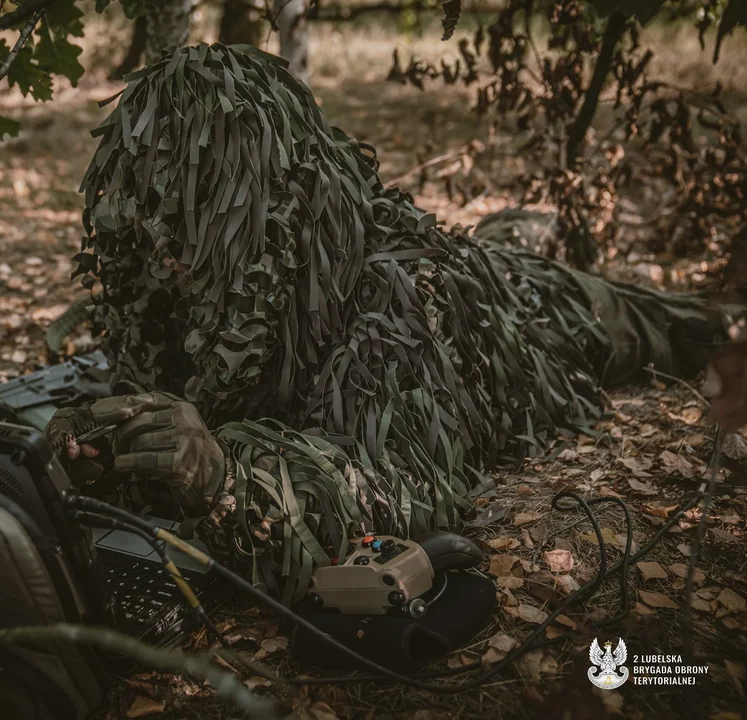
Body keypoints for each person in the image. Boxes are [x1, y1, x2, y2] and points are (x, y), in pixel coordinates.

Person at [45, 44, 725, 603]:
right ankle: (516, 228)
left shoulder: (393, 292)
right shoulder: (175, 282)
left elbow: (403, 488)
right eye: (153, 201)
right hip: (474, 270)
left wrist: (227, 478)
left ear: (263, 196)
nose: (161, 239)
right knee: (510, 239)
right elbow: (167, 388)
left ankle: (537, 239)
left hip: (527, 311)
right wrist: (113, 449)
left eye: (194, 205)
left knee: (677, 324)